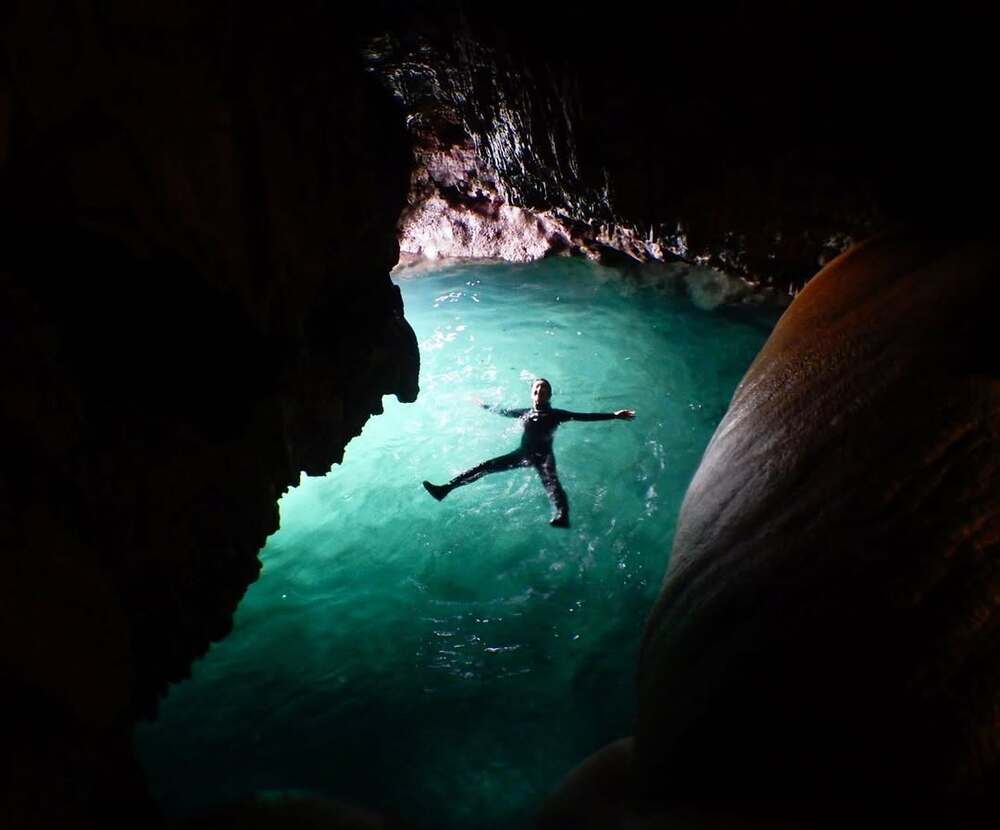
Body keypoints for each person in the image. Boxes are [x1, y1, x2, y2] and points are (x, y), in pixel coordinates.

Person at [422, 378, 636, 527]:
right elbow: (502, 411)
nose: (539, 391)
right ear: (532, 393)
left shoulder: (557, 414)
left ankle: (562, 516)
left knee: (552, 484)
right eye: (536, 388)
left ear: (549, 394)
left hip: (543, 456)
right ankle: (445, 488)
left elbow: (584, 416)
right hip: (522, 454)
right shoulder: (524, 412)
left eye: (543, 389)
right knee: (485, 467)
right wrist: (483, 405)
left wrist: (614, 415)